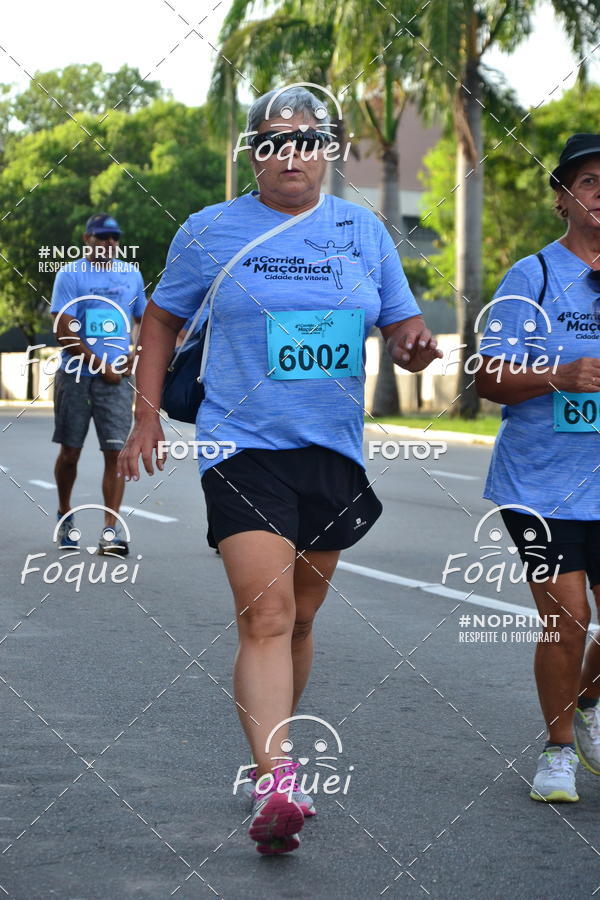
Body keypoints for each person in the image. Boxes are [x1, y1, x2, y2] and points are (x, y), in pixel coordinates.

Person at [118, 86, 441, 854]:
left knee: (301, 615)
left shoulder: (364, 234)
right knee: (264, 615)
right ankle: (276, 780)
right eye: (272, 142)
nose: (289, 154)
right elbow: (161, 318)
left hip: (330, 451)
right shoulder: (209, 232)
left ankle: (279, 764)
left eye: (305, 140)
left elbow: (402, 320)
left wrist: (415, 344)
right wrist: (145, 414)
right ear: (253, 154)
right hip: (242, 447)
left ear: (328, 149)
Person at [476, 133, 600, 803]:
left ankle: (586, 704)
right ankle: (557, 752)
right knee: (569, 620)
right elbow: (487, 378)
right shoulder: (534, 277)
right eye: (588, 181)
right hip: (542, 483)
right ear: (562, 198)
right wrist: (560, 374)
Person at [51, 213, 146, 555]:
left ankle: (110, 530)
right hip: (77, 376)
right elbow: (63, 329)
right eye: (102, 237)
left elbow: (143, 320)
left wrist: (135, 353)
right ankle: (65, 515)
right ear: (86, 238)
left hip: (117, 379)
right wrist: (99, 364)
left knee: (115, 454)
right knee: (70, 452)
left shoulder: (130, 274)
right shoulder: (70, 274)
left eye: (114, 238)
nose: (109, 243)